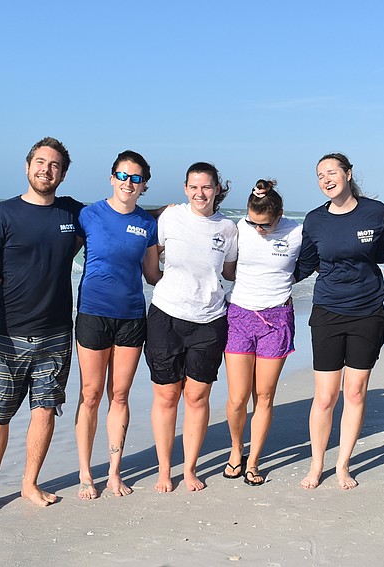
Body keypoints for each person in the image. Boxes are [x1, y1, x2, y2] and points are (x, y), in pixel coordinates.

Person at [0, 137, 84, 516]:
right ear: (27, 166)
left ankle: (29, 483)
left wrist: (176, 212)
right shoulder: (2, 213)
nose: (45, 169)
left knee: (45, 410)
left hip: (56, 334)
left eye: (53, 165)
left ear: (63, 174)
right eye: (39, 162)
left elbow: (117, 219)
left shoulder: (71, 214)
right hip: (7, 334)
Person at [294, 152, 384, 490]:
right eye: (320, 175)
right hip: (327, 311)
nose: (326, 179)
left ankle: (343, 465)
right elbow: (302, 266)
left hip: (368, 312)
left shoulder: (375, 212)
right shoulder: (314, 220)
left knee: (354, 392)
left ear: (348, 174)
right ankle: (316, 465)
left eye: (332, 172)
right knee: (325, 396)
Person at [144, 162, 237, 493]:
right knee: (167, 395)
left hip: (210, 321)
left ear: (216, 190)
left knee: (197, 396)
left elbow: (229, 271)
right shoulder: (170, 217)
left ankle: (191, 470)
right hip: (167, 316)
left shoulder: (227, 228)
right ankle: (165, 470)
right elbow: (148, 247)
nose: (200, 193)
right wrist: (154, 277)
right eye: (194, 187)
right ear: (185, 189)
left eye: (207, 187)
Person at [74, 150, 162, 499]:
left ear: (143, 185)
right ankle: (85, 473)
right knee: (91, 394)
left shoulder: (147, 225)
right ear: (112, 178)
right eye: (123, 176)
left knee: (120, 395)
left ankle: (113, 472)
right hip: (93, 313)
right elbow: (59, 251)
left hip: (130, 317)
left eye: (136, 178)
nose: (128, 182)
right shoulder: (88, 215)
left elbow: (153, 274)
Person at [223, 179, 302, 486]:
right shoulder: (239, 229)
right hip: (240, 314)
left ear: (279, 214)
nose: (258, 230)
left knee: (264, 396)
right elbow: (227, 268)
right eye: (253, 223)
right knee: (237, 398)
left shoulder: (296, 232)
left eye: (265, 225)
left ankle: (253, 461)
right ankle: (235, 450)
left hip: (277, 318)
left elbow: (307, 264)